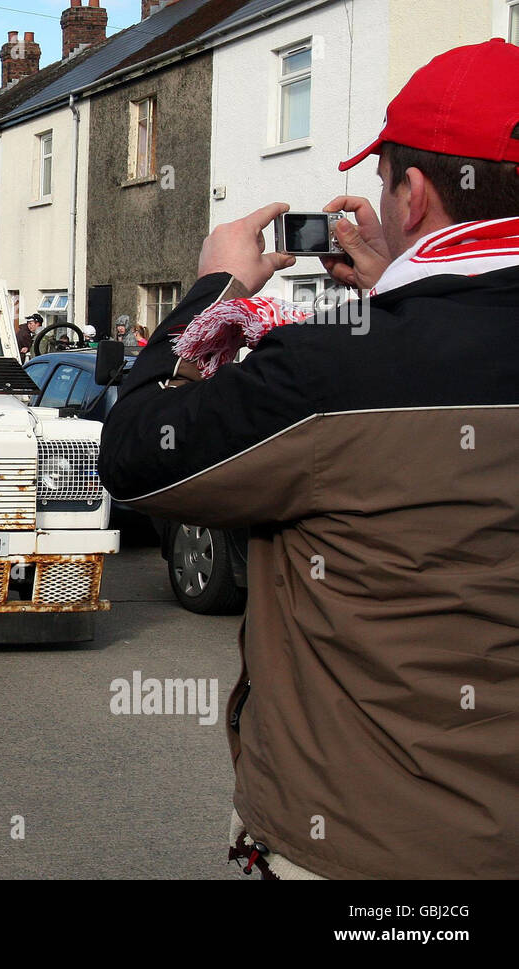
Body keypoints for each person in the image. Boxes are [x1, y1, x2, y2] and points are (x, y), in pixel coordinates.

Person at [98, 39, 519, 880]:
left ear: (414, 190)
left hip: (368, 852)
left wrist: (212, 295)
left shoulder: (331, 370)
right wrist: (404, 292)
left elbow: (139, 453)